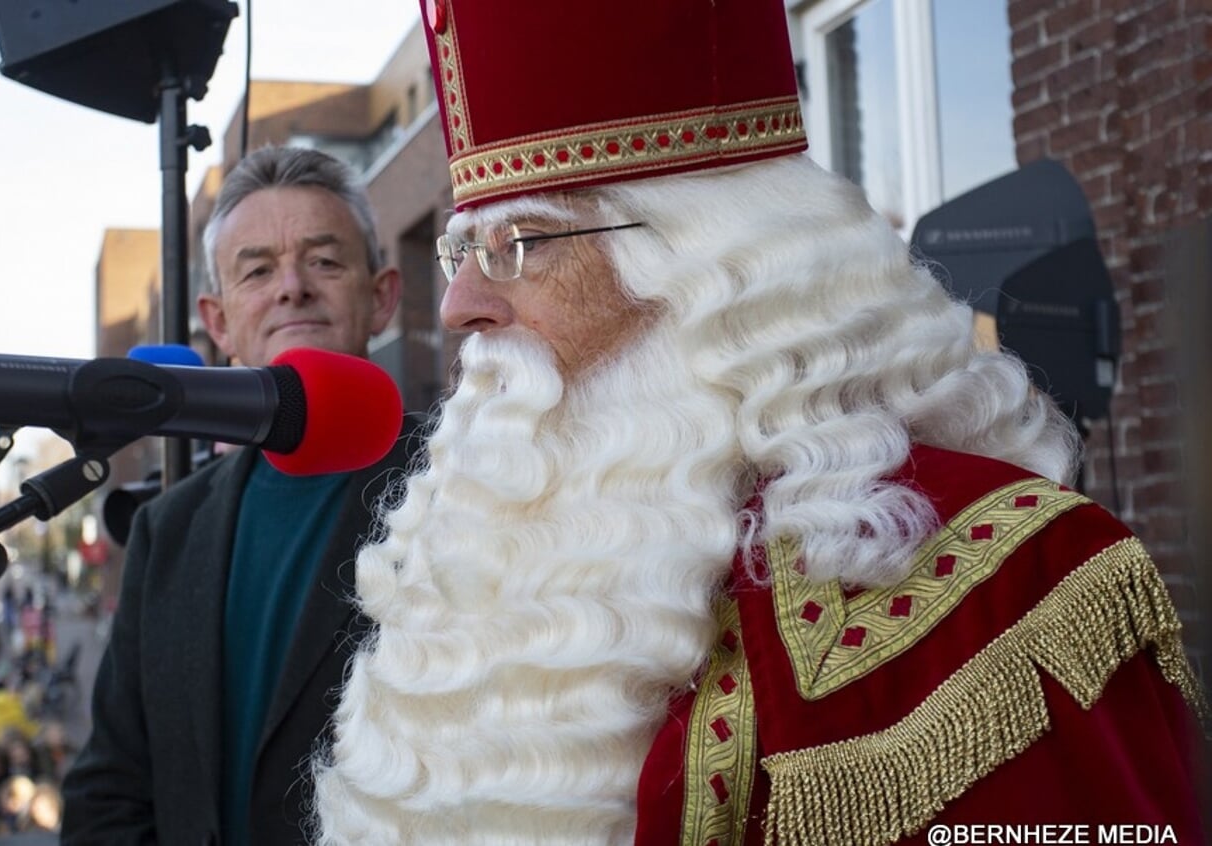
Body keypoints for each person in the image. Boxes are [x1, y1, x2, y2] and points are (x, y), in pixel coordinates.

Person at [311, 2, 1208, 844]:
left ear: (705, 266)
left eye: (515, 246)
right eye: (461, 250)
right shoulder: (471, 581)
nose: (462, 303)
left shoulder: (1017, 583)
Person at [61, 144, 419, 846]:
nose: (291, 287)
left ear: (381, 297)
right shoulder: (168, 528)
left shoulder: (466, 488)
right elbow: (110, 788)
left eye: (323, 261)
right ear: (218, 321)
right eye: (256, 269)